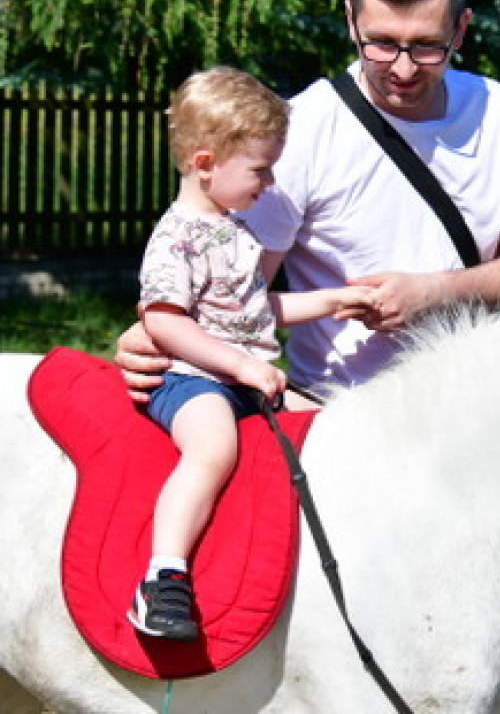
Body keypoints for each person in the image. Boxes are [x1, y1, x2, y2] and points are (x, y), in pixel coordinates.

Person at [115, 0, 500, 403]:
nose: (403, 68)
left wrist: (437, 291)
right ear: (351, 21)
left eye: (426, 46)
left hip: (480, 405)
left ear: (460, 29)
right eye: (382, 43)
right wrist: (156, 334)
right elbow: (230, 292)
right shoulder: (301, 131)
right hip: (343, 416)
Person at [128, 66, 378, 641]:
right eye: (260, 171)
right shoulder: (179, 236)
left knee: (328, 429)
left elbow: (257, 310)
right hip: (190, 380)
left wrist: (336, 299)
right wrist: (240, 364)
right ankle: (162, 577)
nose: (269, 184)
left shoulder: (234, 229)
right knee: (213, 447)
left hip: (245, 379)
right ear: (206, 163)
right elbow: (163, 321)